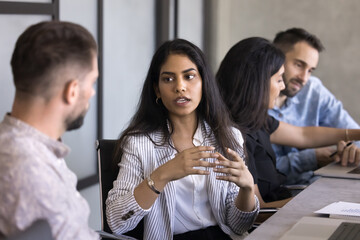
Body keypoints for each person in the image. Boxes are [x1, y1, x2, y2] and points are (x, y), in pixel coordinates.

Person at [106, 39, 259, 239]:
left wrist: (247, 189)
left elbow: (238, 226)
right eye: (168, 79)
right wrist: (162, 175)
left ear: (204, 83)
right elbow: (117, 221)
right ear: (157, 90)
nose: (180, 87)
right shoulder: (139, 144)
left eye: (189, 77)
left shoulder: (228, 136)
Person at [216, 37, 360, 209]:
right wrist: (319, 201)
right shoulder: (234, 135)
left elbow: (303, 135)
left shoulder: (255, 119)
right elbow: (256, 211)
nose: (283, 86)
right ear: (258, 83)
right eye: (278, 79)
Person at [0, 21, 99, 239]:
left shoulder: (15, 144)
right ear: (72, 91)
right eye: (91, 82)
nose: (92, 93)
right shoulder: (31, 172)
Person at [268, 28, 360, 185]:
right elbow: (262, 172)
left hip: (318, 186)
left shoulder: (313, 89)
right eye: (298, 65)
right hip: (277, 195)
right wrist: (312, 158)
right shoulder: (253, 105)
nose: (304, 78)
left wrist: (352, 149)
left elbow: (352, 133)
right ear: (275, 59)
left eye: (310, 70)